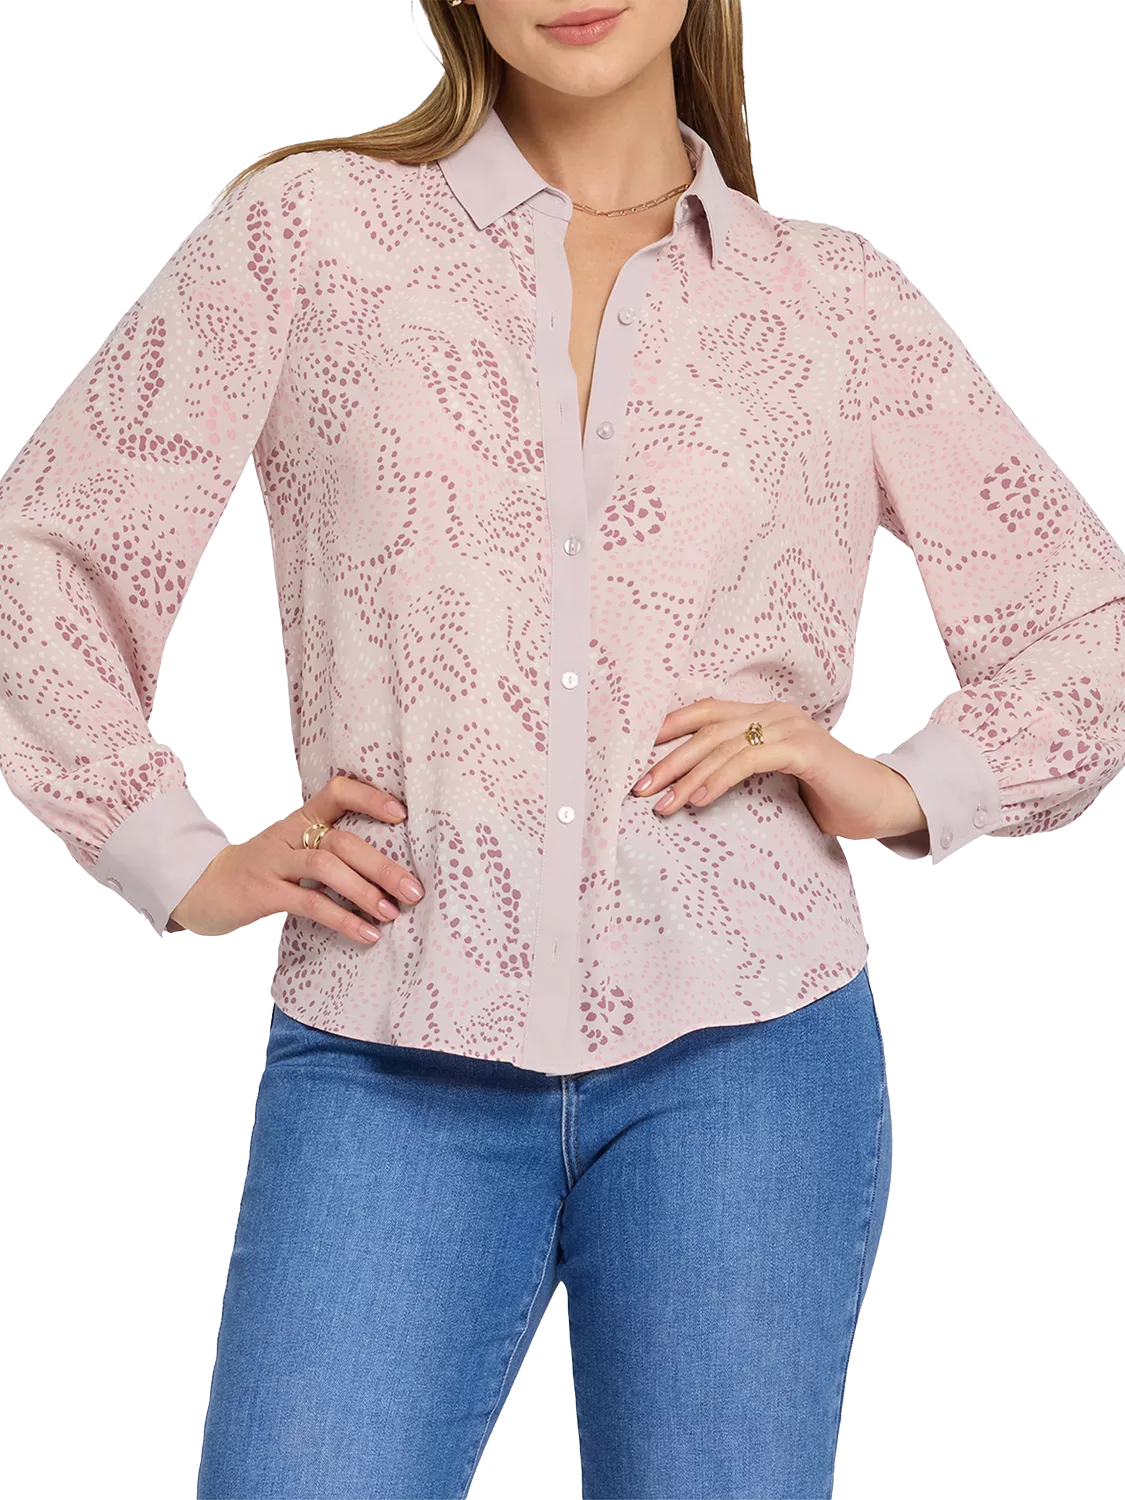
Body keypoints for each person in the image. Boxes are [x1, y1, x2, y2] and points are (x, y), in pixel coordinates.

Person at [2, 1, 1123, 1495]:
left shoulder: (834, 300)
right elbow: (44, 552)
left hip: (754, 1055)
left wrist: (906, 785)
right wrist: (174, 855)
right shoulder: (311, 237)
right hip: (387, 1045)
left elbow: (1084, 615)